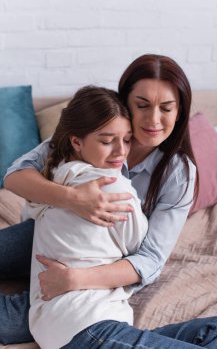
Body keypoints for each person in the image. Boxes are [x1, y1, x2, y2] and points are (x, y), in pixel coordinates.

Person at [0, 54, 217, 348]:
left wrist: (75, 279)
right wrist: (73, 198)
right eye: (142, 105)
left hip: (101, 269)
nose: (153, 119)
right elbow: (14, 176)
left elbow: (150, 260)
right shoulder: (94, 127)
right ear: (125, 102)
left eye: (166, 108)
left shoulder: (178, 173)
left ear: (179, 112)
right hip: (53, 235)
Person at [28, 85, 148, 348]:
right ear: (76, 141)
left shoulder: (51, 178)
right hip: (90, 321)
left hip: (49, 322)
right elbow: (137, 246)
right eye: (107, 141)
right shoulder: (113, 185)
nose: (121, 152)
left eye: (127, 139)